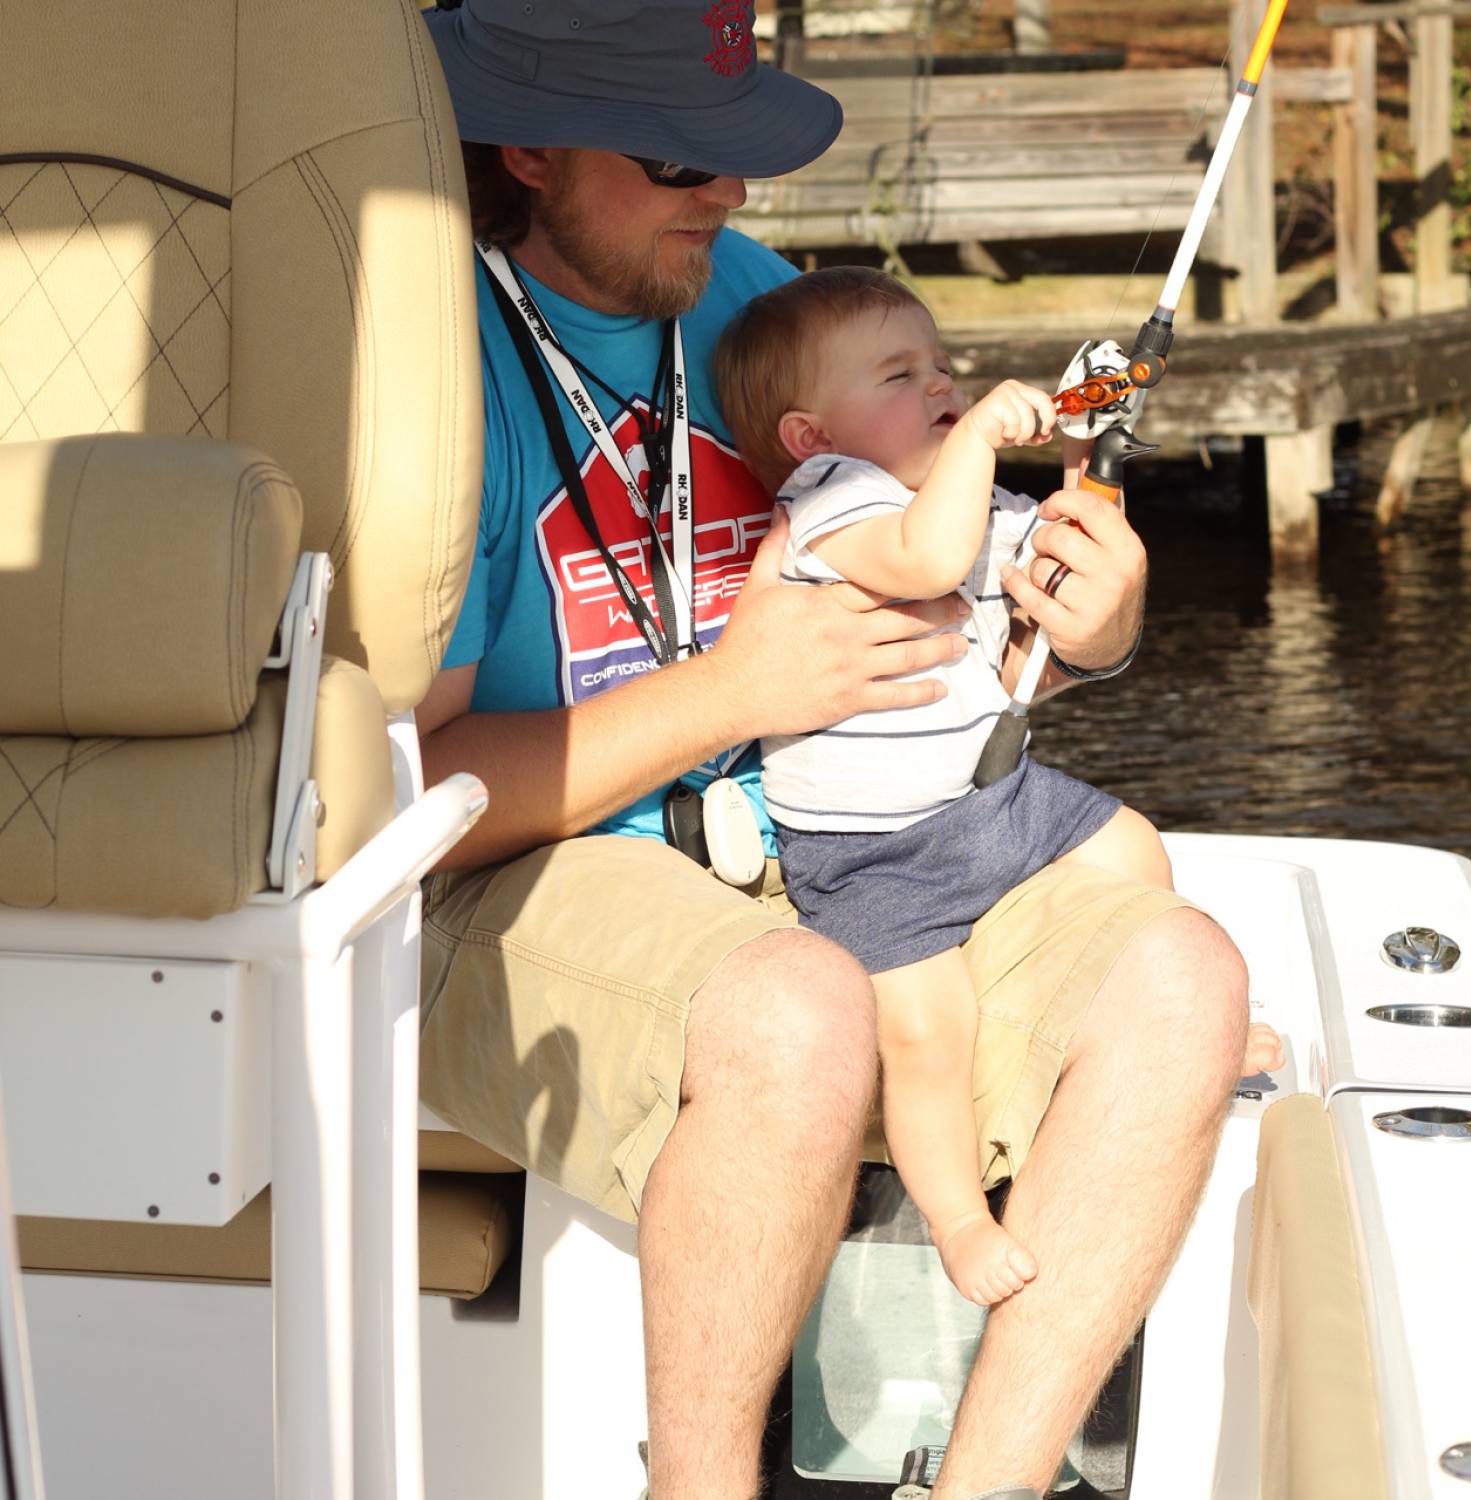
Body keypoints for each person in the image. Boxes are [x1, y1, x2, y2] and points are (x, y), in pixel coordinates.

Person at [415, 2, 1254, 1497]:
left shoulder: (754, 304)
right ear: (529, 150)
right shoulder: (425, 366)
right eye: (683, 159)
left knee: (1185, 975)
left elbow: (944, 594)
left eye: (737, 154)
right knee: (799, 1010)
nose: (728, 197)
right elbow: (404, 810)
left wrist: (1093, 623)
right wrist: (727, 698)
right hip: (532, 873)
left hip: (833, 839)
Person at [716, 267, 1284, 1308]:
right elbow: (927, 557)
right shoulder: (834, 504)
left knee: (1132, 846)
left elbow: (1056, 560)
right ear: (809, 437)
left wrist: (1083, 465)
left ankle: (1191, 1027)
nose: (938, 386)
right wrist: (979, 434)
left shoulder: (961, 495)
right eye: (899, 374)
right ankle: (958, 1219)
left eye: (942, 367)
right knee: (928, 1036)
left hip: (989, 802)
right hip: (869, 854)